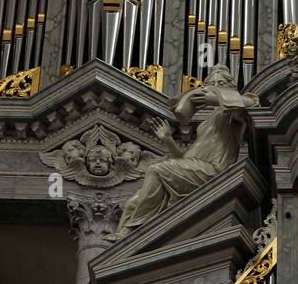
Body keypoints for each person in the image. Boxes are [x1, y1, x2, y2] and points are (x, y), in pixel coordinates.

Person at [110, 67, 258, 238]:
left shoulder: (232, 114)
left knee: (156, 170)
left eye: (221, 83)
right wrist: (167, 139)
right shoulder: (207, 122)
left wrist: (215, 97)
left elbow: (252, 103)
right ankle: (123, 242)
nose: (215, 86)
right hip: (198, 168)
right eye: (211, 84)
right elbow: (186, 160)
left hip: (214, 170)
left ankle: (130, 231)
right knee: (131, 203)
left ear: (230, 88)